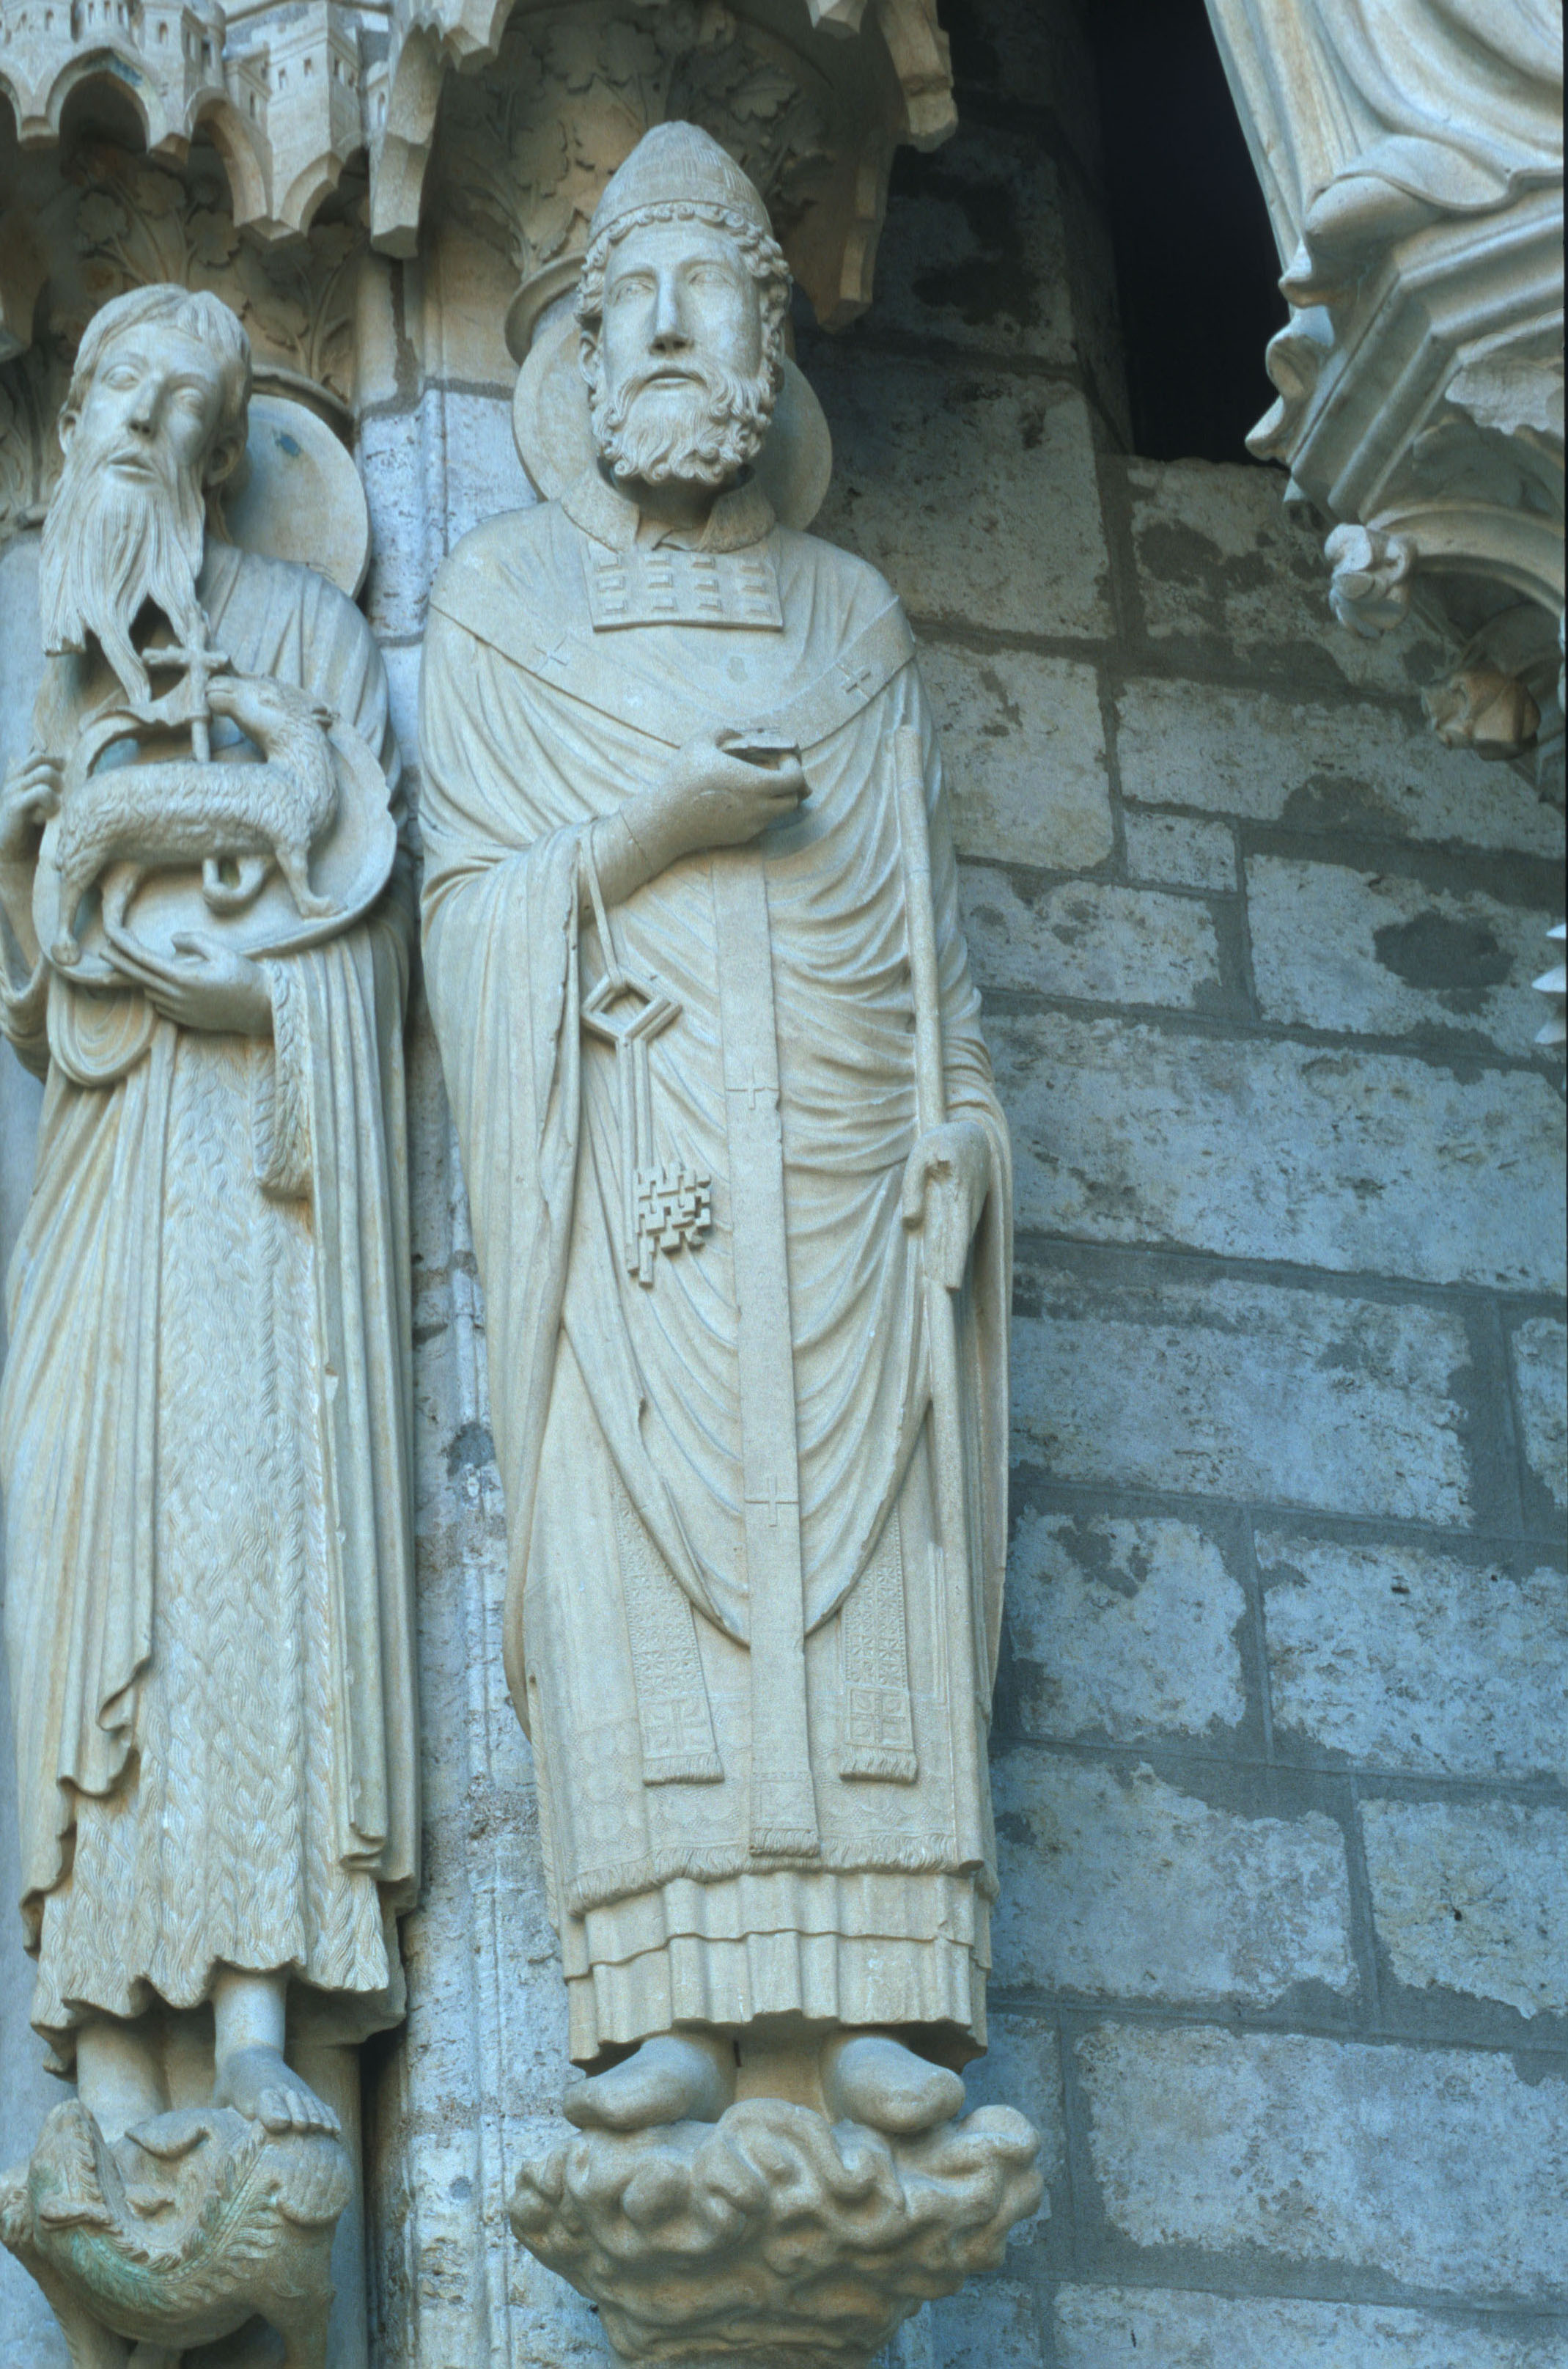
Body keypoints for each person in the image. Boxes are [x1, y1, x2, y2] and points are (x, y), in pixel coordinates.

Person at [419, 125, 1011, 2134]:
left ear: (771, 340)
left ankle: (874, 2001)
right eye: (632, 302)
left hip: (844, 1192)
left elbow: (932, 962)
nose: (672, 331)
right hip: (629, 1180)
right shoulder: (503, 608)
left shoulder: (851, 624)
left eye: (714, 296)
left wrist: (963, 1137)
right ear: (579, 357)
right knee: (628, 1545)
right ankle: (664, 1993)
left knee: (871, 1559)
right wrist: (656, 828)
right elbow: (463, 925)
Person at [0, 285, 417, 2150]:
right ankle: (102, 2042)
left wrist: (259, 987)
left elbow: (364, 897)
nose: (126, 421)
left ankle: (256, 2020)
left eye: (170, 398)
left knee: (248, 1564)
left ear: (226, 449)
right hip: (104, 1173)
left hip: (258, 1175)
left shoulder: (307, 632)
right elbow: (43, 965)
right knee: (87, 1558)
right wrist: (51, 858)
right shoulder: (56, 670)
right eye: (106, 389)